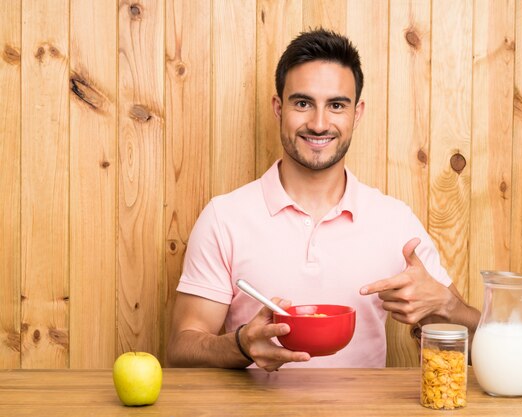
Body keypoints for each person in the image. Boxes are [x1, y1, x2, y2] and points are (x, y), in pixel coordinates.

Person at [167, 28, 480, 372]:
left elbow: (479, 340)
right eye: (303, 103)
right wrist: (241, 345)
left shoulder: (394, 222)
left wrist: (449, 305)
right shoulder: (224, 218)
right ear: (278, 108)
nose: (318, 124)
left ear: (357, 113)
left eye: (336, 105)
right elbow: (182, 348)